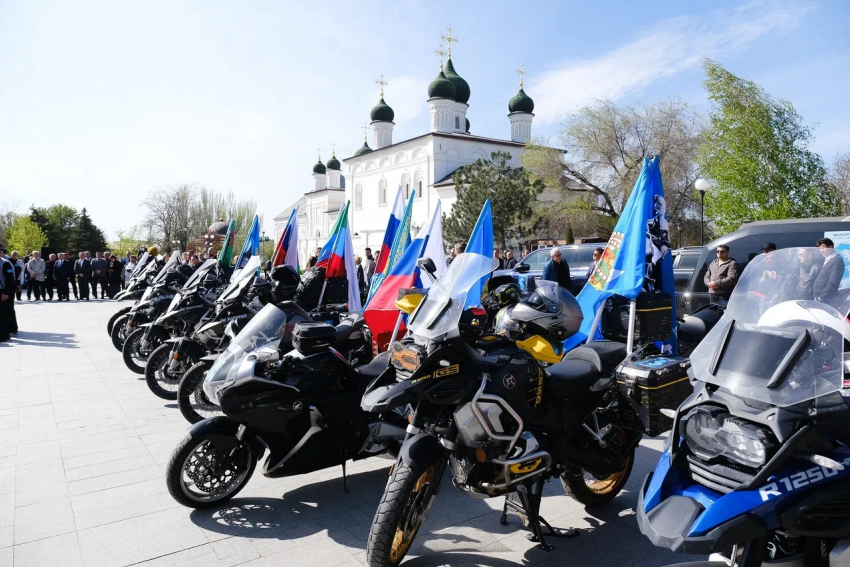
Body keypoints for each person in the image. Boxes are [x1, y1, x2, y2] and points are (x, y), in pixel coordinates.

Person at [813, 238, 845, 303]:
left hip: (825, 300)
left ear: (830, 247)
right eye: (820, 249)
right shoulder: (827, 258)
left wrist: (822, 297)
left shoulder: (836, 260)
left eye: (823, 248)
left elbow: (833, 281)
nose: (821, 251)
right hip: (818, 297)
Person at [0, 245, 15, 341]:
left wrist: (6, 293)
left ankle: (4, 335)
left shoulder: (5, 263)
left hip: (2, 291)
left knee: (2, 314)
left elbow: (10, 280)